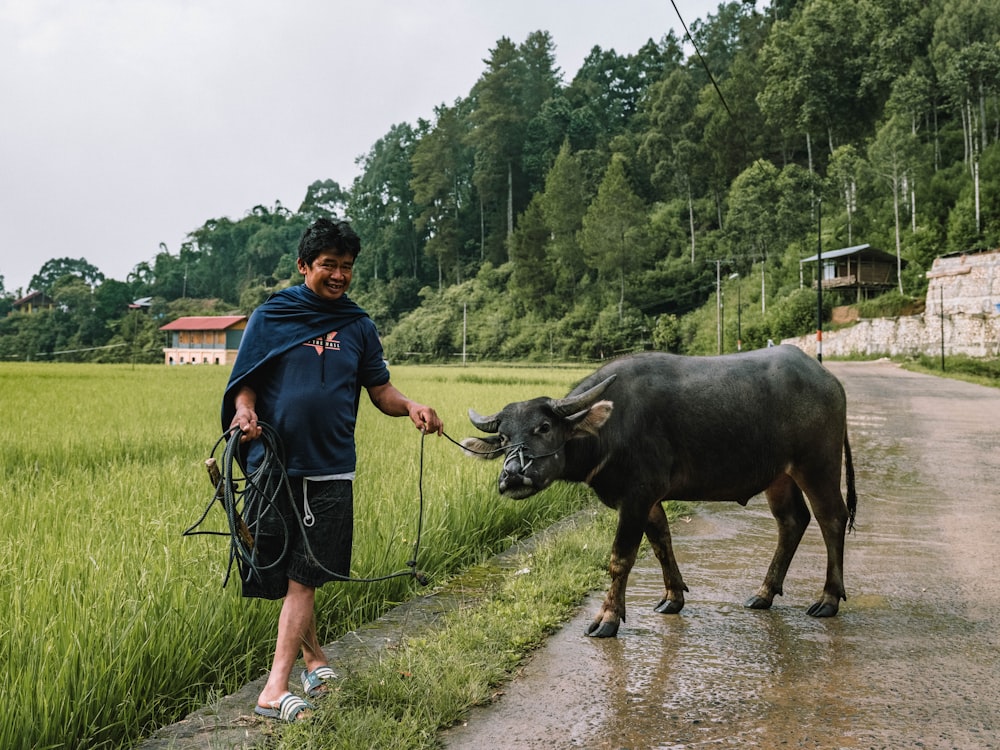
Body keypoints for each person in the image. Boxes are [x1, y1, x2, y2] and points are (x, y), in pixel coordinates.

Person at [220, 218, 443, 723]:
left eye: (346, 267)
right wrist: (245, 411)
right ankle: (308, 665)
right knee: (290, 573)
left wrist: (409, 405)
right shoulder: (273, 316)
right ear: (304, 266)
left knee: (307, 576)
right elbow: (246, 383)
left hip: (331, 468)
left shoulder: (358, 326)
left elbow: (379, 389)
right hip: (273, 467)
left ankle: (277, 686)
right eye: (329, 265)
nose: (339, 275)